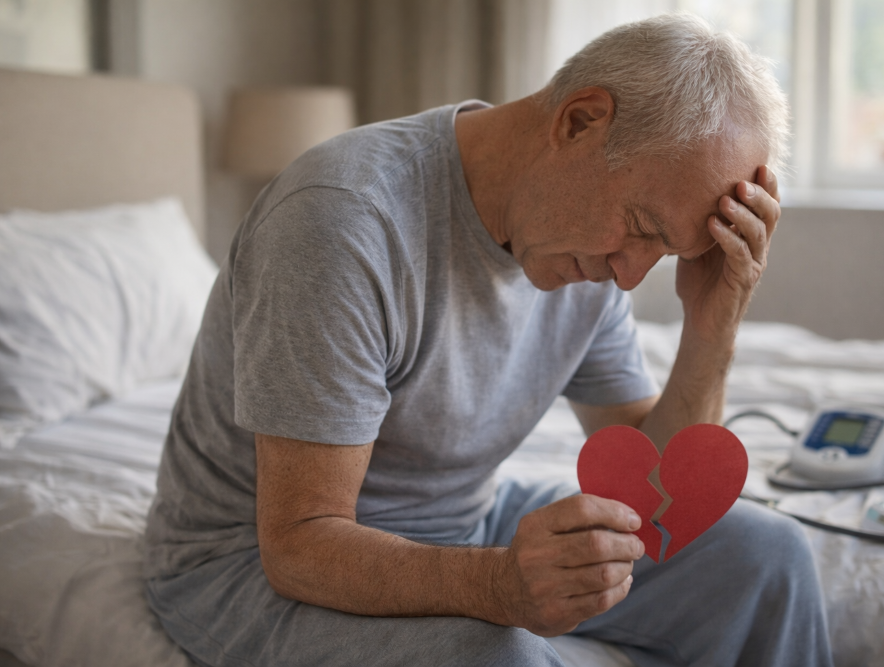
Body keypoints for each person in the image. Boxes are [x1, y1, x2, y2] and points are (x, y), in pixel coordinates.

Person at [144, 13, 833, 667]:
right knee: (500, 656)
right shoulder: (341, 224)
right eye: (642, 226)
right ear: (581, 120)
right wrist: (497, 585)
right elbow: (297, 544)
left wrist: (714, 323)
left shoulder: (585, 250)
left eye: (666, 250)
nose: (628, 277)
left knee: (768, 555)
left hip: (462, 525)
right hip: (250, 564)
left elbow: (654, 489)